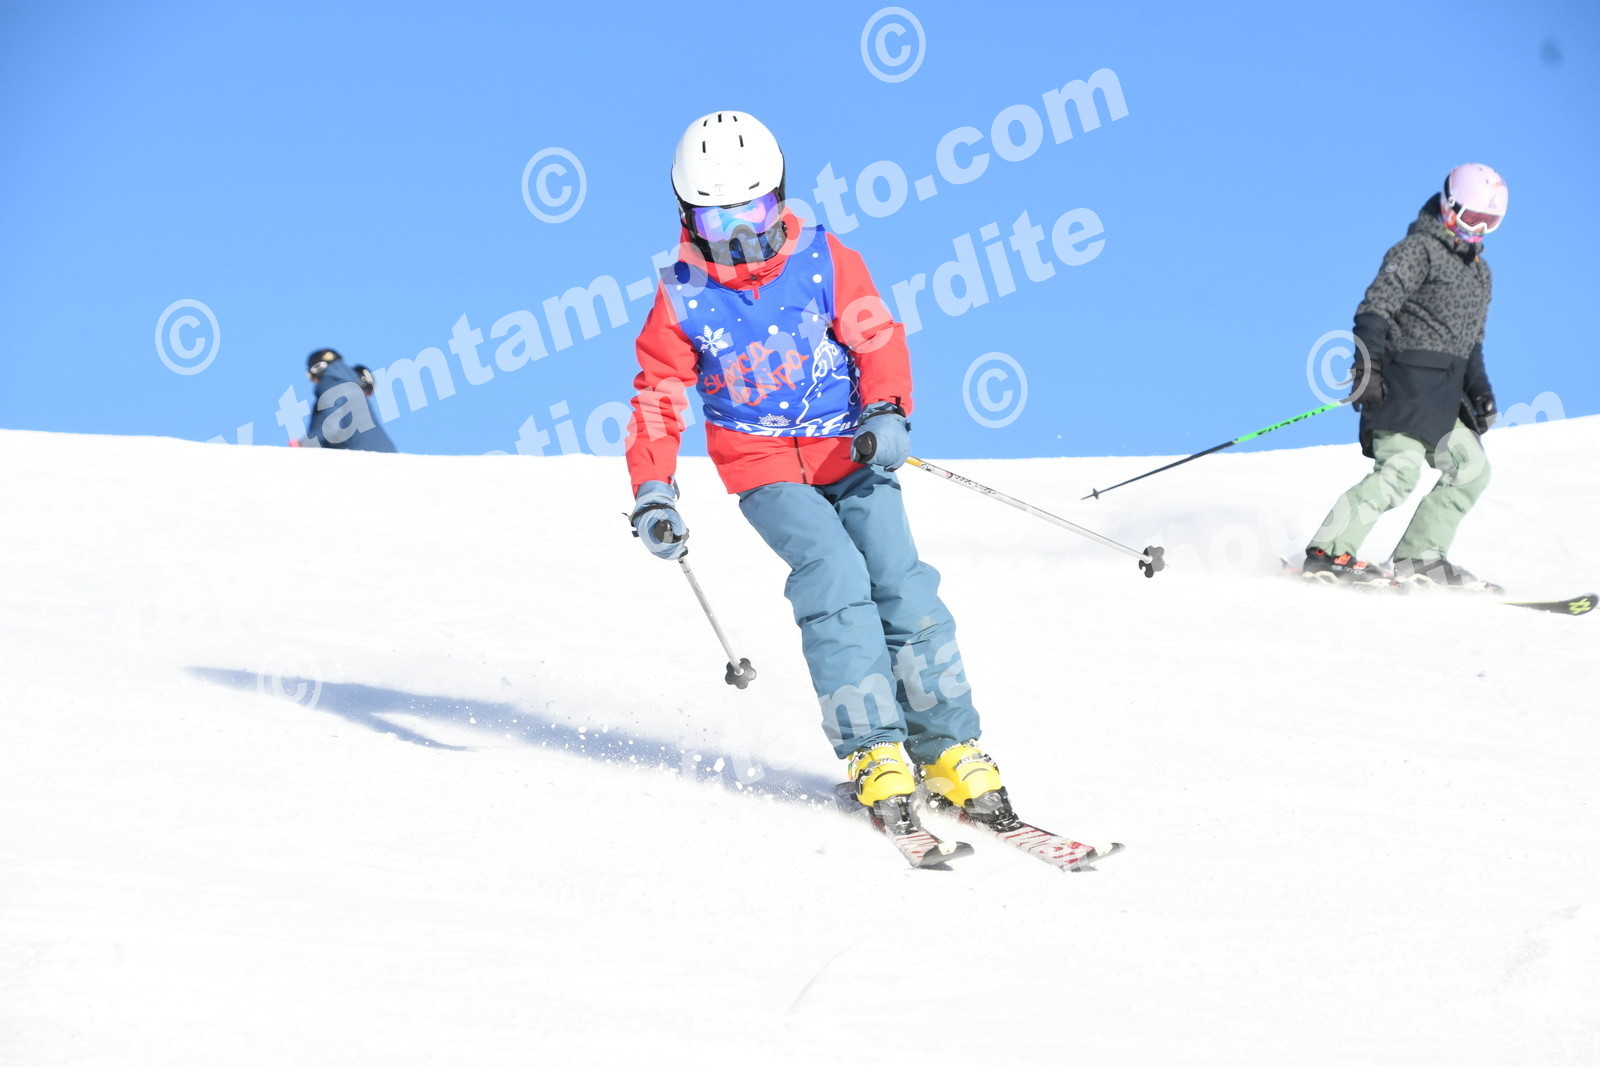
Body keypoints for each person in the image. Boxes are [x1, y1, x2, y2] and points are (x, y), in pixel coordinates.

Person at [624, 111, 1016, 831]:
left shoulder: (825, 258)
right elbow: (657, 396)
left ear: (779, 197)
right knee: (834, 576)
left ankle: (947, 746)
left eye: (752, 213)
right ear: (687, 218)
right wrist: (654, 489)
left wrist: (887, 410)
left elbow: (876, 337)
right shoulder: (682, 294)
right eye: (717, 221)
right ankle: (874, 750)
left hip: (851, 450)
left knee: (901, 580)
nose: (738, 237)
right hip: (763, 467)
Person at [1303, 164, 1506, 590]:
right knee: (1398, 473)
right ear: (1449, 207)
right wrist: (1368, 367)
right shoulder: (1417, 250)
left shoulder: (1480, 274)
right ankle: (1328, 550)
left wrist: (1480, 390)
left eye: (1490, 222)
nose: (1479, 230)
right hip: (1403, 386)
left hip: (1445, 397)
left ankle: (1420, 557)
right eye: (1473, 218)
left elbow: (1472, 344)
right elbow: (1374, 309)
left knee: (1472, 469)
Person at [302, 349, 396, 452]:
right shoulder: (354, 388)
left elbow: (331, 428)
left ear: (317, 369)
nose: (312, 381)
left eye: (310, 375)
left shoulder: (332, 385)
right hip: (388, 453)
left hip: (361, 455)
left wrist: (304, 444)